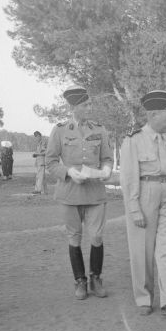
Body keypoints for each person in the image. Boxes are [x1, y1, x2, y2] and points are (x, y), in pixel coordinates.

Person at [120, 90, 166, 317]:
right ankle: (144, 299)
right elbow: (129, 177)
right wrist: (133, 208)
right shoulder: (134, 140)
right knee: (142, 250)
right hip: (144, 193)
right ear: (153, 115)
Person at [45, 85, 113, 300]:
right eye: (85, 105)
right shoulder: (60, 130)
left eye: (89, 103)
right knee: (74, 237)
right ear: (74, 107)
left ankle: (95, 277)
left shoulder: (99, 130)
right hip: (70, 193)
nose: (89, 107)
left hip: (95, 192)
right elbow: (50, 162)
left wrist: (107, 169)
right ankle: (80, 281)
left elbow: (107, 158)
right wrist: (68, 172)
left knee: (97, 236)